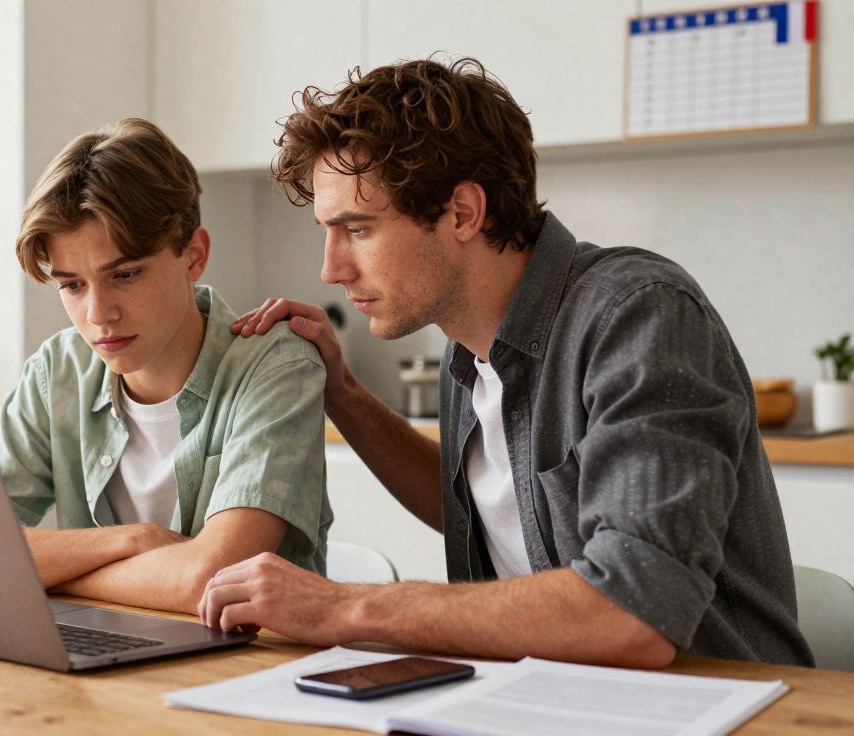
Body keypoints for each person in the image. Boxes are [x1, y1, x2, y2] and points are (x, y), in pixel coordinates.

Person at [199, 57, 813, 667]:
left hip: (719, 713)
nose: (331, 269)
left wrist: (345, 607)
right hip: (545, 702)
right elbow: (483, 509)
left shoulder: (638, 314)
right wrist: (346, 395)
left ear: (463, 212)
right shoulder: (467, 351)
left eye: (356, 229)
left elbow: (635, 611)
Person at [0, 118, 332, 615]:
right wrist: (132, 542)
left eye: (125, 274)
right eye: (71, 285)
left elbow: (207, 580)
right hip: (103, 665)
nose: (98, 314)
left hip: (248, 672)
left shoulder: (277, 367)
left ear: (194, 256)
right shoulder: (56, 371)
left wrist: (56, 575)